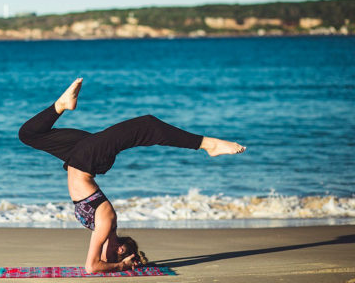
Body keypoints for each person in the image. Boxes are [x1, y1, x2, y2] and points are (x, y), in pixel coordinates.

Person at [18, 78, 246, 273]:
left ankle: (61, 105)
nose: (111, 252)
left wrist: (120, 266)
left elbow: (91, 266)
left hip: (79, 157)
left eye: (113, 256)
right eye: (117, 252)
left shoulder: (100, 228)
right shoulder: (107, 222)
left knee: (28, 134)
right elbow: (94, 265)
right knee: (146, 124)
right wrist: (124, 263)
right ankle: (208, 145)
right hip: (87, 159)